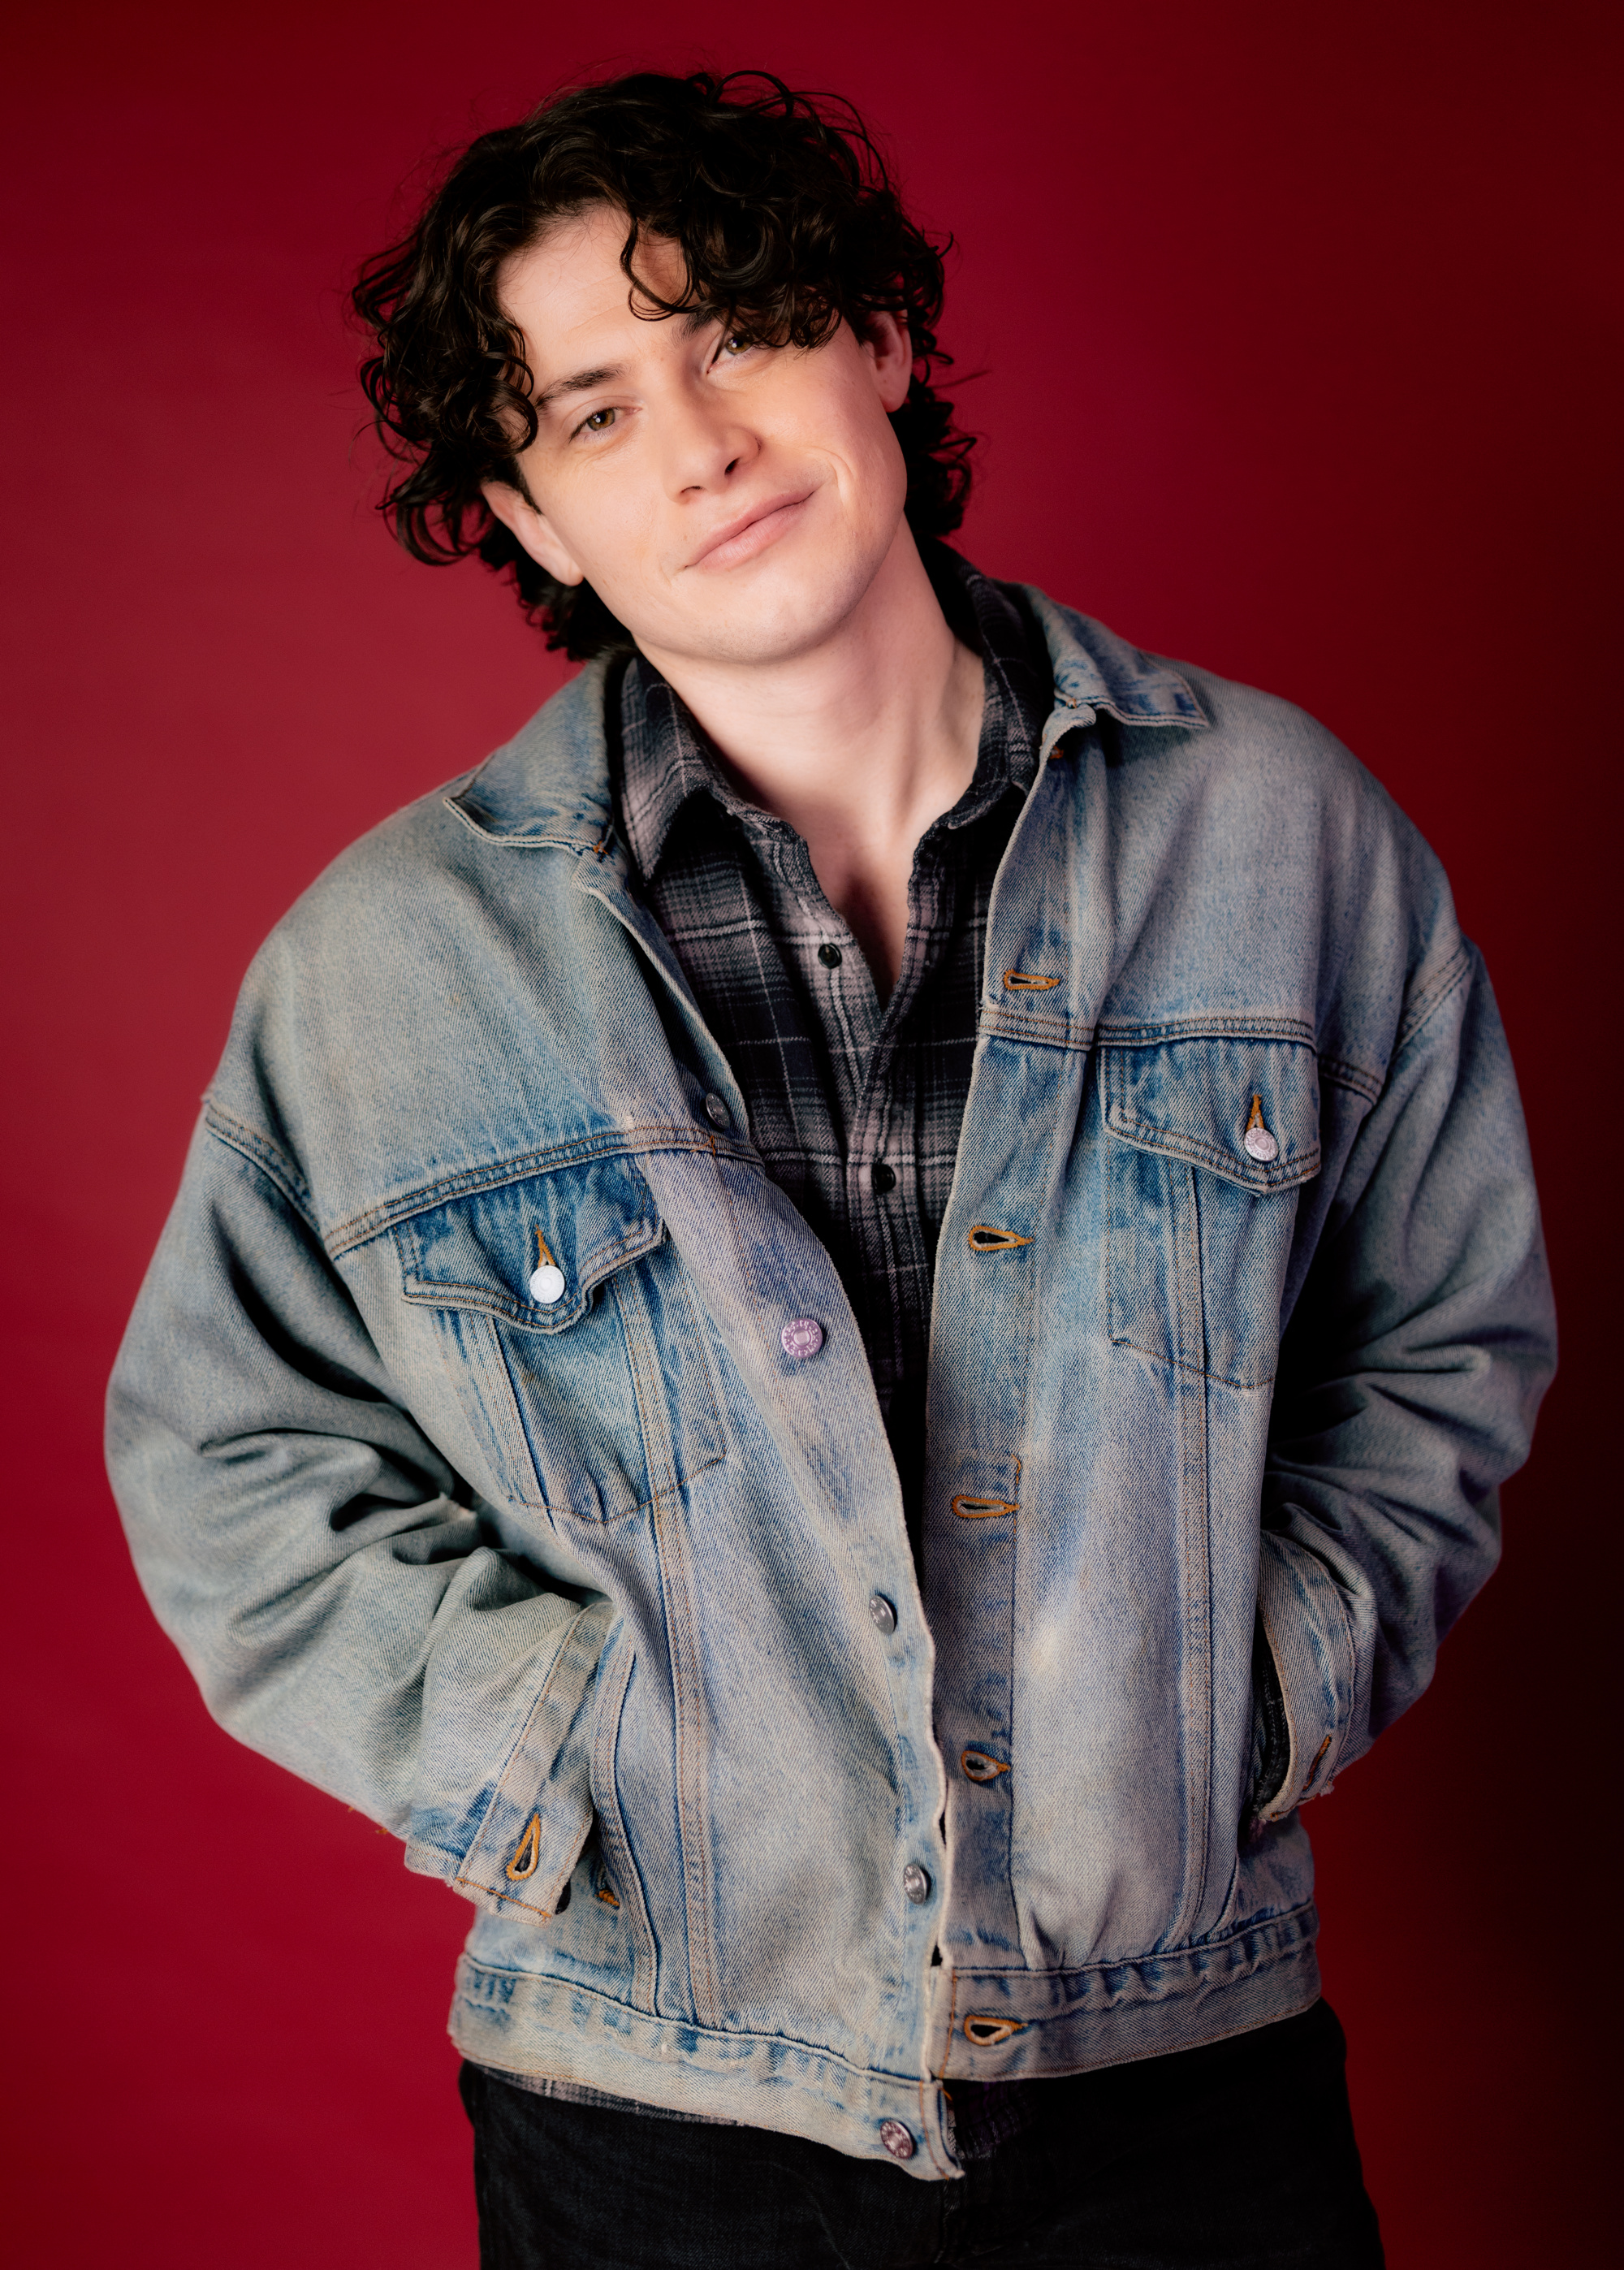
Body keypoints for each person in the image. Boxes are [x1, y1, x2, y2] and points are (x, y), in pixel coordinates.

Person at [107, 69, 1555, 2269]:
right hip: (651, 2122)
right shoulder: (386, 966)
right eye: (594, 413)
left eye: (740, 334)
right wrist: (557, 1756)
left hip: (1185, 2076)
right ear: (528, 517)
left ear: (878, 339)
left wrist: (1260, 1685)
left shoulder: (1286, 838)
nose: (699, 443)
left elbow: (1444, 1337)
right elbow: (227, 1459)